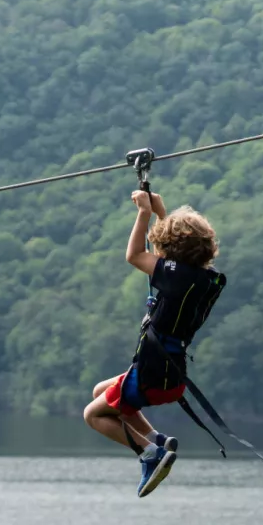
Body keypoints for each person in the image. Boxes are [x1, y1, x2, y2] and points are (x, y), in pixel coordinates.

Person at [83, 188, 226, 497]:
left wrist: (144, 214)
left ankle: (150, 452)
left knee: (93, 414)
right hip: (171, 375)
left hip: (152, 375)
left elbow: (134, 255)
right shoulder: (211, 280)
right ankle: (158, 439)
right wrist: (165, 216)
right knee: (100, 392)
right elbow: (176, 260)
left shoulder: (177, 277)